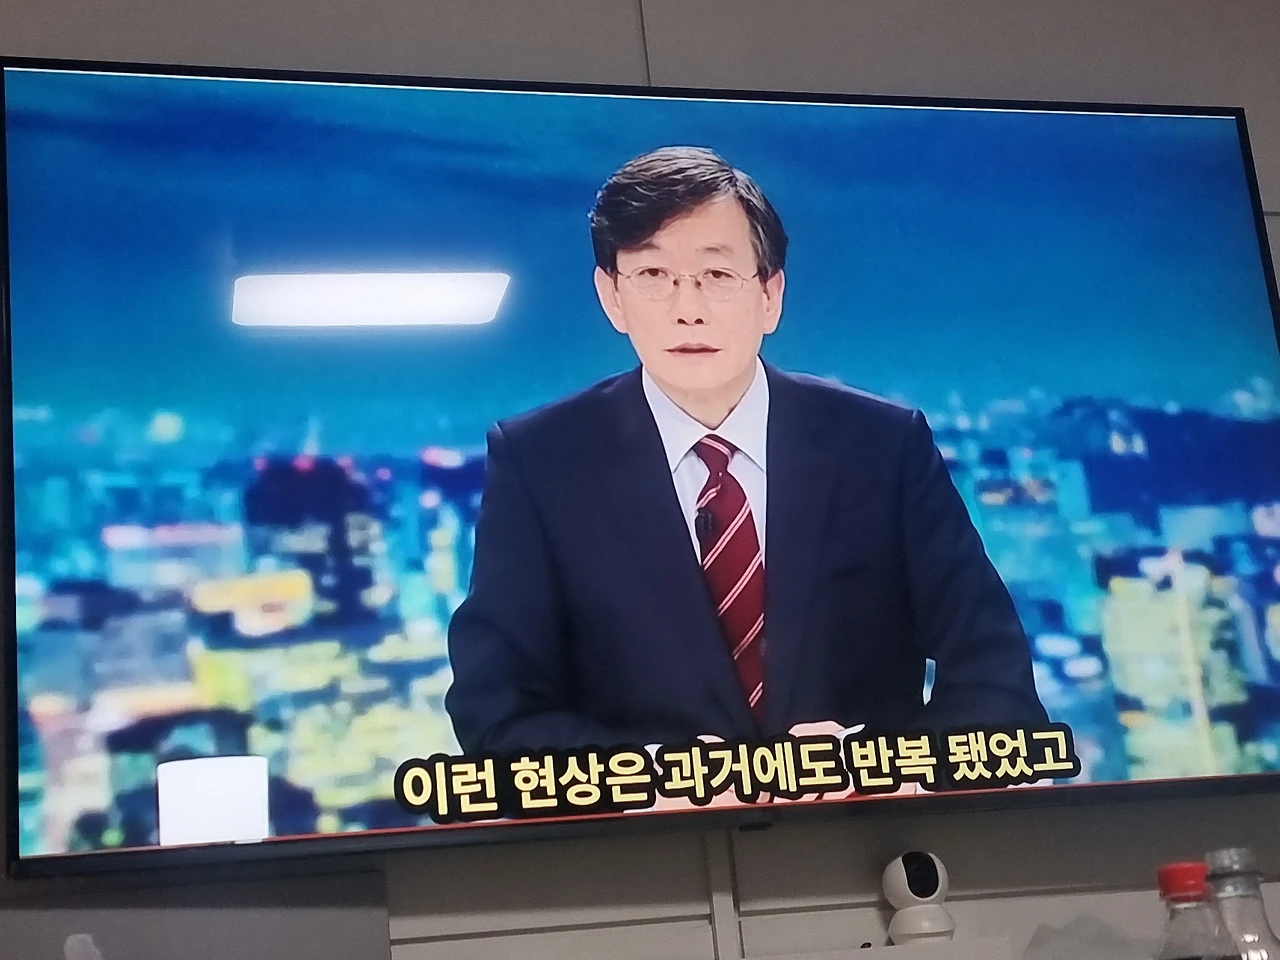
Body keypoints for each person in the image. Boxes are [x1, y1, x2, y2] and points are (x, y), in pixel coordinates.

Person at [445, 146, 1048, 758]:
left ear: (770, 295)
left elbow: (996, 680)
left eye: (717, 275)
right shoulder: (541, 462)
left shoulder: (882, 446)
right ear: (612, 297)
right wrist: (653, 780)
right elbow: (495, 712)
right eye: (653, 276)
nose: (687, 311)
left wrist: (877, 770)